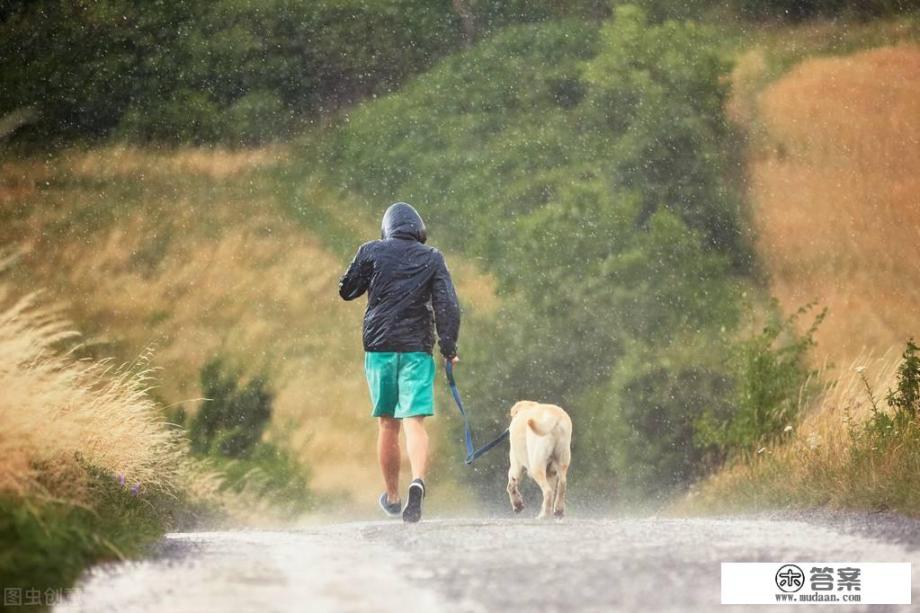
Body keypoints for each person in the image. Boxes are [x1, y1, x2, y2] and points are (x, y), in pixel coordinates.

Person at [339, 202, 460, 523]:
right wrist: (448, 347)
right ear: (418, 231)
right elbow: (447, 303)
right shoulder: (431, 257)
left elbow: (347, 291)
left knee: (387, 424)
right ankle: (417, 481)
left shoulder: (371, 250)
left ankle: (393, 496)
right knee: (414, 421)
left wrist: (366, 265)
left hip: (379, 347)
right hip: (417, 347)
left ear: (387, 228)